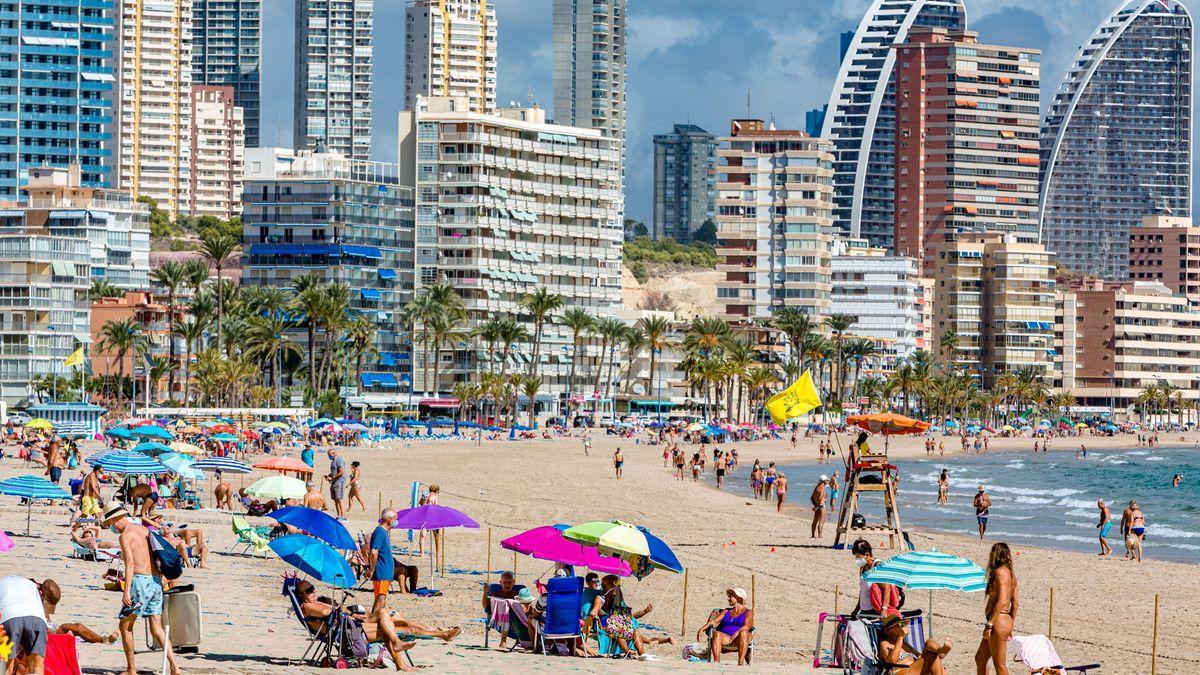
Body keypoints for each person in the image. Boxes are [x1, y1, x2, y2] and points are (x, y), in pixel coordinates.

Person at [103, 505, 180, 675]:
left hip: (140, 582)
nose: (112, 527)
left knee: (125, 627)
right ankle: (175, 667)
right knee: (157, 628)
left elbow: (130, 563)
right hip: (155, 582)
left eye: (110, 523)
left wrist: (126, 591)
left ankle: (131, 670)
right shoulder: (144, 530)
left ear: (116, 519)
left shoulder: (125, 536)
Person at [294, 579, 416, 672]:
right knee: (386, 630)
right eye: (309, 591)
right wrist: (334, 608)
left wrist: (353, 614)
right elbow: (325, 612)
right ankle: (400, 662)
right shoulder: (308, 606)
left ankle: (399, 655)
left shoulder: (315, 602)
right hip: (344, 633)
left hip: (347, 626)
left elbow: (336, 609)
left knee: (383, 615)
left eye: (313, 589)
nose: (314, 592)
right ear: (301, 596)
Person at [974, 542, 1017, 675]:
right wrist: (1010, 624)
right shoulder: (1011, 575)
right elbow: (1015, 604)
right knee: (980, 658)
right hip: (1004, 620)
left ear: (996, 555)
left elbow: (1003, 600)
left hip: (997, 621)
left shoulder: (1001, 572)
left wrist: (990, 624)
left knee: (1000, 665)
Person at [0, 576, 57, 673]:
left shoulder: (3, 583)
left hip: (9, 618)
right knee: (36, 667)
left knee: (6, 668)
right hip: (37, 619)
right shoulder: (33, 587)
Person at [695, 588, 754, 665]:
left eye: (731, 597)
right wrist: (702, 629)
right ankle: (716, 662)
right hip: (726, 638)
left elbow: (748, 625)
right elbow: (714, 621)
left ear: (738, 597)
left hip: (739, 638)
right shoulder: (726, 611)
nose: (728, 599)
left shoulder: (748, 612)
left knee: (743, 633)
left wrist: (737, 633)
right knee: (717, 634)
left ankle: (740, 662)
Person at [879, 613, 952, 674]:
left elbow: (920, 656)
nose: (902, 627)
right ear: (889, 631)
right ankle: (940, 652)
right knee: (931, 657)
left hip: (916, 670)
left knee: (929, 644)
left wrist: (939, 667)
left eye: (903, 624)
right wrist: (901, 637)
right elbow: (891, 662)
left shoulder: (905, 645)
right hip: (900, 672)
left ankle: (940, 650)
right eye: (899, 625)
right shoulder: (884, 644)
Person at [851, 539, 899, 617]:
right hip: (864, 610)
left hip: (875, 610)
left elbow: (886, 588)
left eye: (858, 556)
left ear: (867, 554)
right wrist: (857, 609)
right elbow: (863, 590)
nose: (856, 559)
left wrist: (884, 609)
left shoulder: (877, 566)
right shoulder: (863, 567)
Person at [368, 510, 396, 617]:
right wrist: (371, 569)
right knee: (380, 599)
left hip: (385, 571)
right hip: (382, 571)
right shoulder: (380, 532)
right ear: (390, 520)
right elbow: (374, 552)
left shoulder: (383, 532)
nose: (396, 522)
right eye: (395, 519)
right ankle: (372, 622)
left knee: (381, 598)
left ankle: (378, 621)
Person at [327, 449, 347, 520]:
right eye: (328, 455)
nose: (329, 456)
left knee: (339, 499)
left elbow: (341, 472)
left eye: (330, 455)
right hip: (334, 482)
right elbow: (334, 471)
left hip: (339, 481)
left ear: (334, 453)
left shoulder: (339, 459)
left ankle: (343, 516)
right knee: (335, 499)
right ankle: (339, 515)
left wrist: (332, 478)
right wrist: (329, 476)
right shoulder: (332, 462)